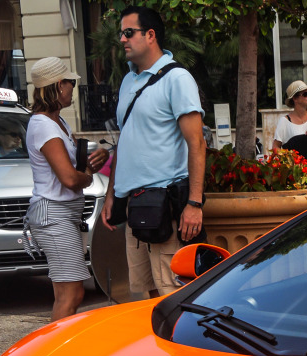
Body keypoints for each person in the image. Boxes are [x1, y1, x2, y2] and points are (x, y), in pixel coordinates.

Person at [98, 6, 206, 299]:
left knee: (173, 294)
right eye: (122, 33)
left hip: (167, 205)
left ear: (150, 35)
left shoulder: (177, 79)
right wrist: (112, 195)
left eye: (128, 33)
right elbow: (125, 141)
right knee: (144, 296)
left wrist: (194, 203)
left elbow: (196, 142)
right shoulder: (127, 81)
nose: (122, 39)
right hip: (136, 206)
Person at [25, 57, 109, 321]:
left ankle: (57, 353)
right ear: (59, 85)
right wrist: (87, 175)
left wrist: (97, 158)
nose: (73, 88)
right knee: (70, 294)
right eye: (71, 82)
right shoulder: (43, 125)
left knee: (67, 292)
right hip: (54, 215)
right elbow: (70, 179)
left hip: (61, 215)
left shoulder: (58, 123)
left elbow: (77, 167)